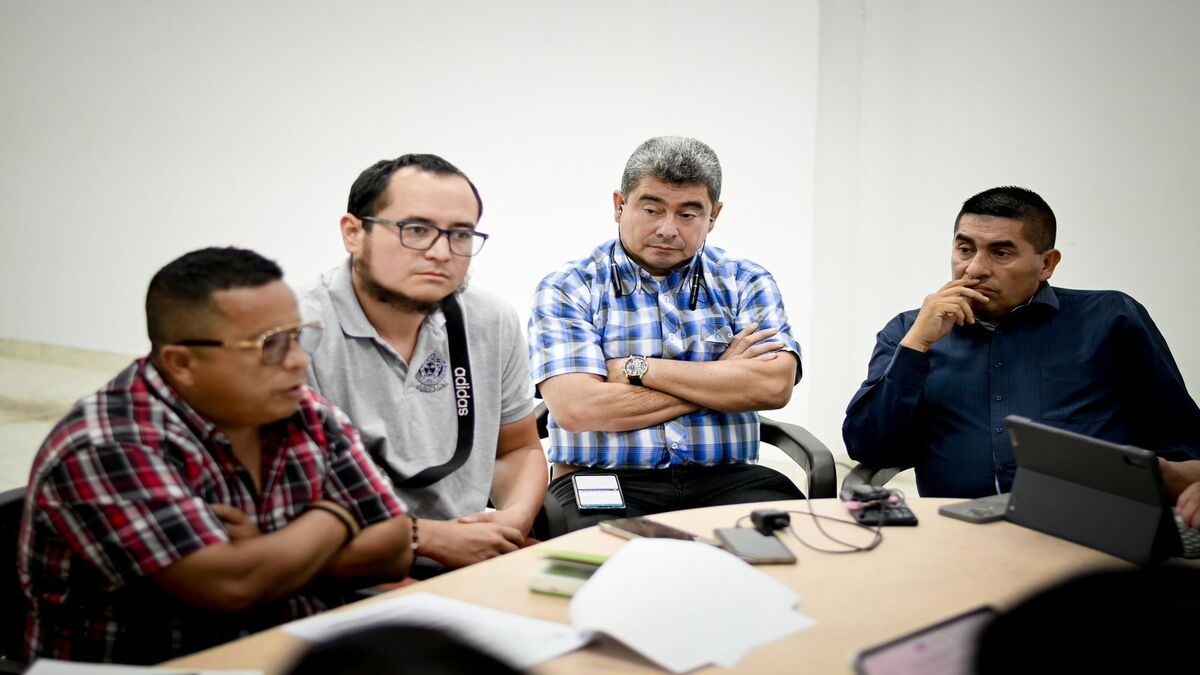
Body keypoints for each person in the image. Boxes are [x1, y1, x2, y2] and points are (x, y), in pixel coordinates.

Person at [18, 248, 412, 664]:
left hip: (285, 657)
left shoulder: (305, 412)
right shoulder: (109, 445)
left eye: (299, 337)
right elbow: (231, 586)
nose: (299, 361)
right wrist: (336, 517)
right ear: (183, 363)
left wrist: (264, 550)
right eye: (271, 345)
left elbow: (395, 546)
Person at [843, 186, 1200, 497]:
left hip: (1088, 530)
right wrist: (916, 346)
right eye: (965, 249)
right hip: (958, 529)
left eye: (1001, 253)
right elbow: (867, 447)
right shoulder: (910, 331)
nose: (974, 269)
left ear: (1047, 264)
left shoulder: (1110, 319)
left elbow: (1182, 438)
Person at [529, 136, 805, 532]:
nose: (668, 229)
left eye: (688, 214)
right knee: (606, 559)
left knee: (794, 547)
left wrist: (638, 369)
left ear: (714, 216)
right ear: (619, 205)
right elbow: (578, 409)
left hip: (728, 478)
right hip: (604, 480)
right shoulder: (569, 287)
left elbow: (773, 386)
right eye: (651, 209)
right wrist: (721, 377)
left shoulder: (746, 281)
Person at [301, 154, 545, 570]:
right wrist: (427, 539)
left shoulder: (491, 319)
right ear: (353, 232)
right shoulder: (297, 331)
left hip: (471, 553)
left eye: (460, 235)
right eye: (416, 230)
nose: (441, 252)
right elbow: (292, 507)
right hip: (349, 564)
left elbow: (517, 449)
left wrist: (512, 521)